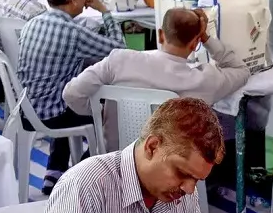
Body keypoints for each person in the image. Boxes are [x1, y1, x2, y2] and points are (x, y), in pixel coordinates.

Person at [43, 98, 222, 213]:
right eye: (181, 173)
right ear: (152, 147)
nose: (189, 189)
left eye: (197, 180)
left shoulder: (184, 194)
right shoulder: (85, 185)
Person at [18, 0, 127, 192]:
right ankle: (85, 168)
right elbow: (120, 49)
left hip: (26, 110)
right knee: (107, 106)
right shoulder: (73, 33)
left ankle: (54, 171)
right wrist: (105, 12)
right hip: (54, 115)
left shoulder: (32, 23)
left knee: (67, 90)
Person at [63, 7, 249, 132]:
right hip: (169, 173)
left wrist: (101, 113)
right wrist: (206, 38)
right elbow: (241, 69)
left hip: (118, 163)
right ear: (194, 44)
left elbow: (71, 93)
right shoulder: (205, 81)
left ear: (160, 35)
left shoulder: (119, 61)